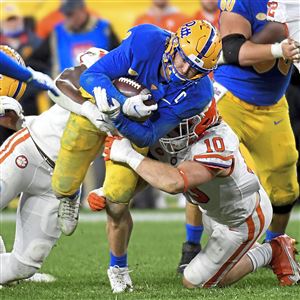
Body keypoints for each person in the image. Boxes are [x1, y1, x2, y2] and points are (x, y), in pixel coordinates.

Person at [50, 20, 222, 293]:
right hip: (97, 109)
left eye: (197, 69)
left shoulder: (198, 92)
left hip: (134, 129)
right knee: (62, 182)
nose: (186, 70)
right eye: (184, 60)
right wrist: (119, 101)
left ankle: (117, 266)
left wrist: (120, 117)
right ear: (174, 45)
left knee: (117, 201)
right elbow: (89, 77)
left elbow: (150, 135)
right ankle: (69, 193)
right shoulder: (147, 41)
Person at [102, 99, 300, 288]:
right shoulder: (176, 136)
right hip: (216, 212)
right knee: (222, 259)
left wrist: (129, 155)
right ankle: (249, 250)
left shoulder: (217, 143)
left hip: (242, 220)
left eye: (183, 121)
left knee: (196, 281)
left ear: (202, 119)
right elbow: (151, 174)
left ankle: (273, 250)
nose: (173, 127)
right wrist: (109, 192)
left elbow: (174, 182)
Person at [177, 0, 300, 273]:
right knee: (208, 168)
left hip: (272, 104)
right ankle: (191, 245)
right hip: (229, 100)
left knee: (285, 186)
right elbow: (231, 49)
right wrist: (279, 48)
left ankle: (275, 249)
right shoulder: (241, 2)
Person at [0, 48, 111, 286]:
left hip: (58, 181)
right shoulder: (100, 70)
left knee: (24, 266)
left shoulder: (145, 101)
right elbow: (64, 83)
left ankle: (71, 190)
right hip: (28, 150)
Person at [28, 0, 119, 77]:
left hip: (100, 88)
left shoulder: (104, 29)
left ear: (82, 10)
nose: (67, 18)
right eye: (65, 14)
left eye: (70, 14)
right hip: (64, 91)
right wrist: (50, 74)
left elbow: (119, 57)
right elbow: (34, 61)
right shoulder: (57, 33)